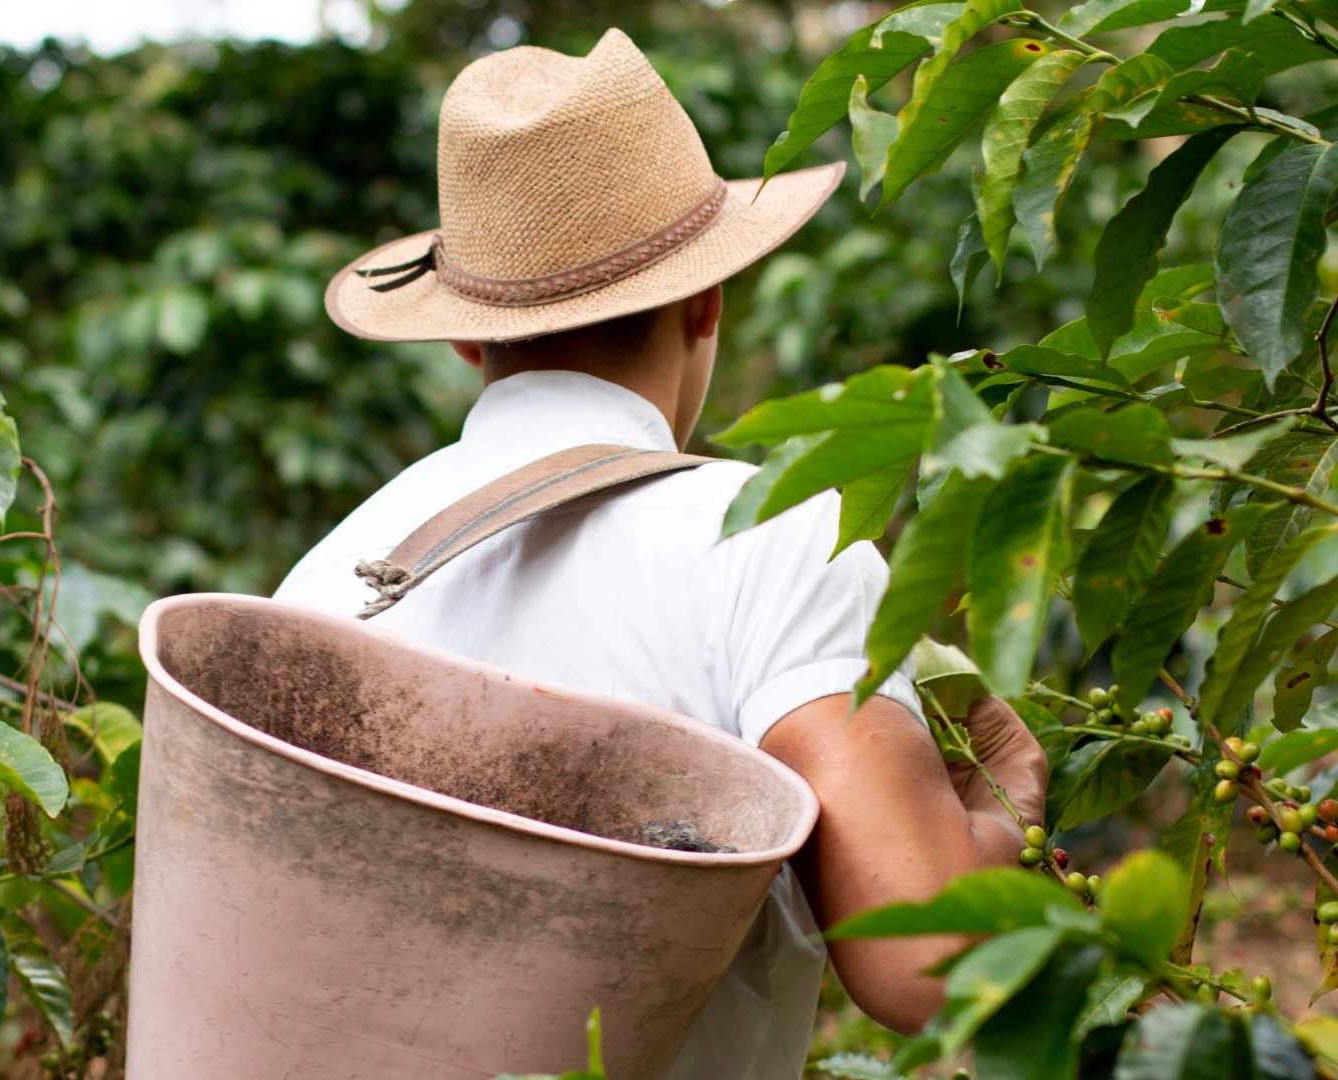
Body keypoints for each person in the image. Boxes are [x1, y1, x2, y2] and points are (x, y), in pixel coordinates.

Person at [271, 27, 1048, 1080]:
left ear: (463, 333)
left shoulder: (320, 583)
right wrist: (1011, 796)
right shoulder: (773, 538)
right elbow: (932, 964)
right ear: (708, 298)